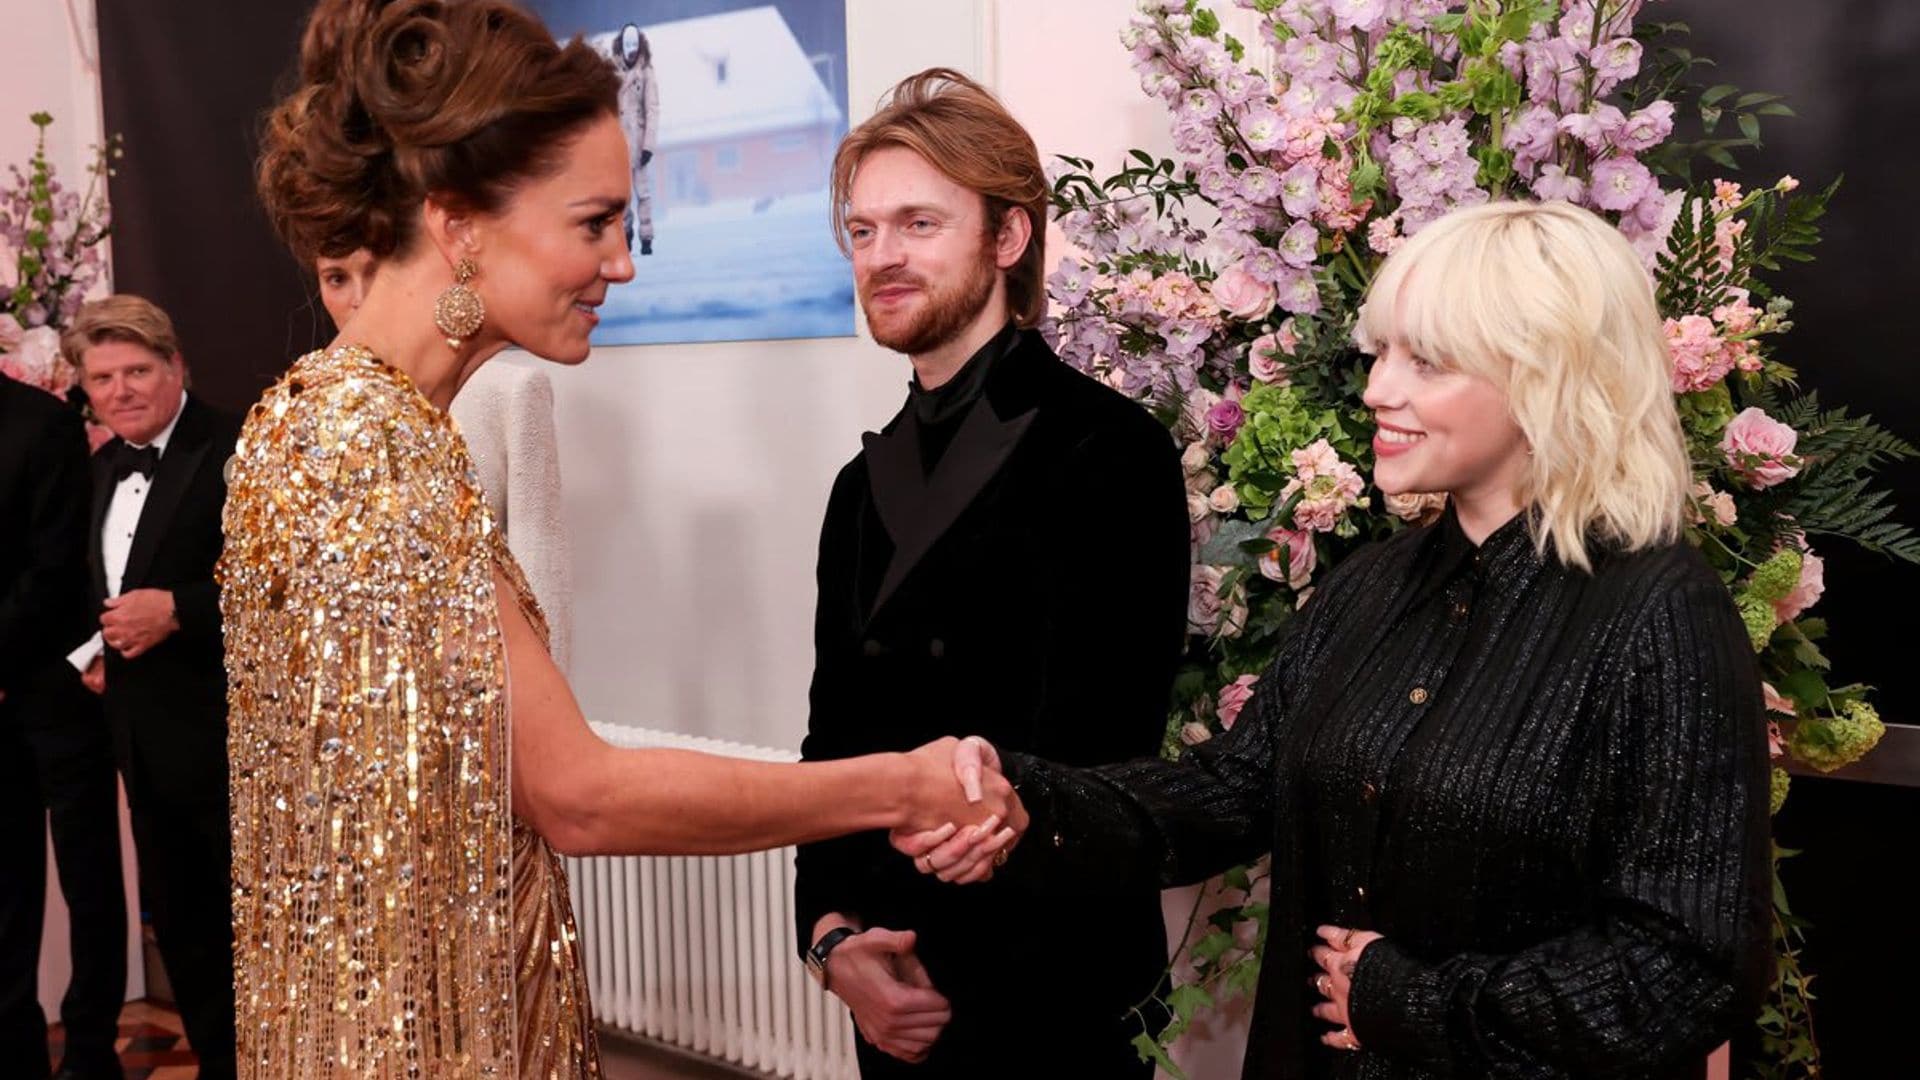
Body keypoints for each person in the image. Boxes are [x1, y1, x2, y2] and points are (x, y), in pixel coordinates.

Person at [242, 3, 1014, 1076]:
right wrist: (907, 784)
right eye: (593, 221)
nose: (622, 264)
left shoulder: (336, 422)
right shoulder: (364, 444)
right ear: (461, 222)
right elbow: (578, 795)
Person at [904, 200, 1773, 1079]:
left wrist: (1410, 1003)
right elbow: (1231, 788)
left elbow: (1692, 967)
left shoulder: (1660, 612)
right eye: (1383, 352)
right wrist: (1028, 803)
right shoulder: (1371, 583)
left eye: (1426, 361)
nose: (1377, 389)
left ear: (1546, 378)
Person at [795, 68, 1189, 1078]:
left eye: (919, 224)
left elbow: (1105, 756)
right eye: (863, 230)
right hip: (892, 990)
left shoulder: (1112, 451)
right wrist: (836, 943)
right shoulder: (858, 484)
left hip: (1052, 999)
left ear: (1007, 240)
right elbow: (830, 741)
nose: (881, 257)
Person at [60, 295, 242, 1079]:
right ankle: (217, 1063)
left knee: (249, 924)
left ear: (178, 370)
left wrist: (182, 610)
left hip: (234, 735)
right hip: (143, 735)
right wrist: (87, 651)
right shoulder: (99, 469)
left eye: (138, 370)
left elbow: (289, 584)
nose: (122, 389)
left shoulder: (237, 446)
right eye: (104, 377)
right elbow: (83, 586)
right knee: (181, 919)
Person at [318, 249, 575, 668]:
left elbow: (541, 571)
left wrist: (550, 714)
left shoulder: (507, 392)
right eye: (336, 279)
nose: (359, 298)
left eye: (375, 273)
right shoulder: (308, 411)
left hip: (486, 691)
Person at [0, 373, 126, 1080]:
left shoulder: (42, 423)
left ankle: (88, 1048)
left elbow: (51, 571)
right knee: (5, 886)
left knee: (88, 879)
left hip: (57, 693)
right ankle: (14, 1051)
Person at [612, 22, 658, 256]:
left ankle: (647, 238)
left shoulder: (647, 74)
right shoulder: (612, 74)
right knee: (623, 194)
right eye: (627, 44)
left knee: (643, 193)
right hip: (619, 144)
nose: (631, 49)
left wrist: (648, 145)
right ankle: (626, 234)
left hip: (639, 143)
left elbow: (652, 109)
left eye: (634, 44)